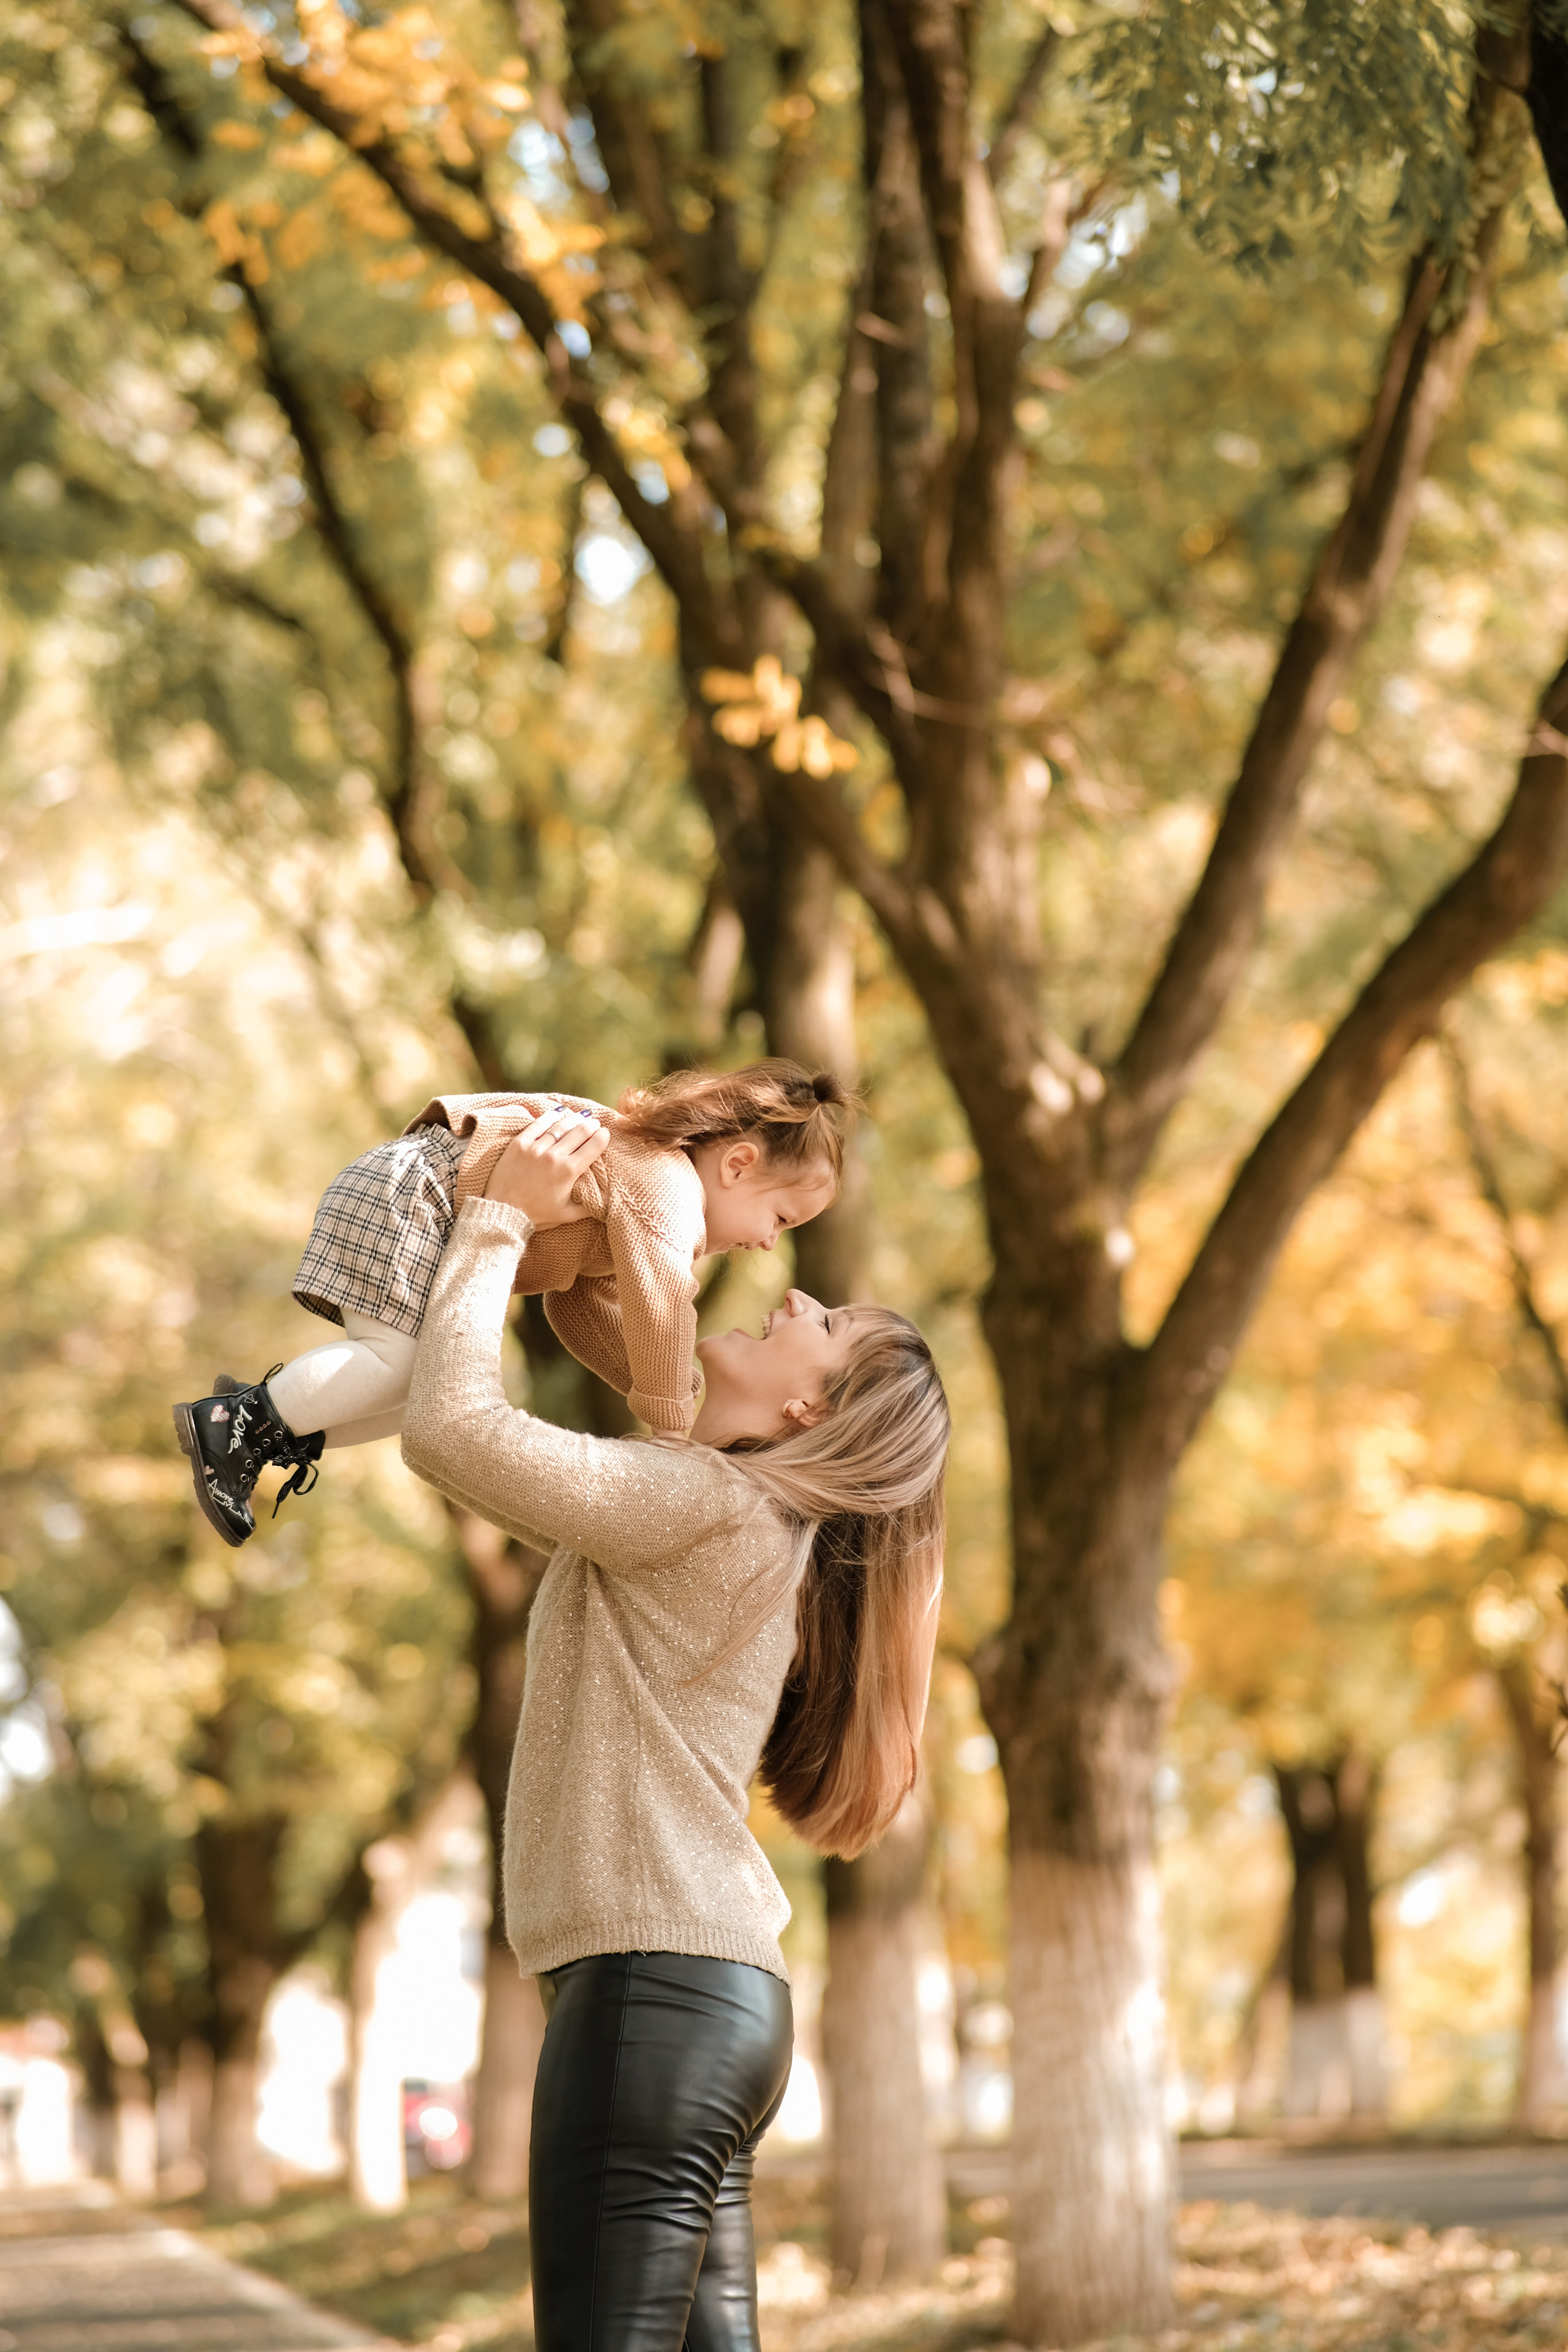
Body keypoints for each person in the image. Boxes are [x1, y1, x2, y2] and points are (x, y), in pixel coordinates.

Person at [401, 1104, 950, 2352]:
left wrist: (493, 1219)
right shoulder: (727, 1515)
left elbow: (451, 1433)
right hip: (709, 2002)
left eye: (825, 1328)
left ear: (808, 1411)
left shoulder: (706, 1507)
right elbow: (546, 1417)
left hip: (654, 2000)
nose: (794, 1297)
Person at [173, 1060, 851, 1547]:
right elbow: (662, 1306)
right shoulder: (666, 1190)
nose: (770, 1243)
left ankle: (266, 1429)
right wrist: (674, 1430)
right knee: (398, 1363)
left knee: (423, 1386)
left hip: (418, 1202)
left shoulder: (643, 1194)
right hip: (420, 1194)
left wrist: (658, 1386)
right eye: (781, 1219)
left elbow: (576, 1310)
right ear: (737, 1166)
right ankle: (238, 1422)